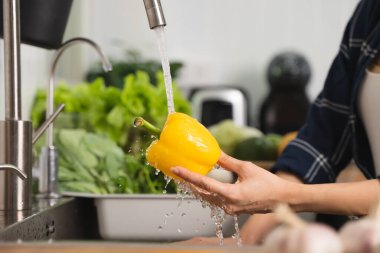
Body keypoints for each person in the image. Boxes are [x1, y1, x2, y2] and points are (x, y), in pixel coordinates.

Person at [171, 0, 380, 245]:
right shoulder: (370, 12)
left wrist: (284, 195)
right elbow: (323, 141)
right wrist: (243, 241)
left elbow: (286, 191)